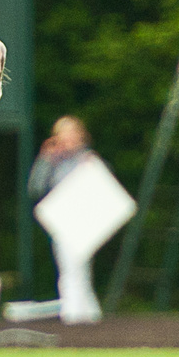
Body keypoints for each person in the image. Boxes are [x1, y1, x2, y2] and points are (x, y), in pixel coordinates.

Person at [28, 115, 103, 323]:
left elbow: (103, 191)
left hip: (84, 221)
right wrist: (45, 158)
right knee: (71, 269)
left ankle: (75, 315)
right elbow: (35, 187)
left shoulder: (88, 159)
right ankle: (86, 315)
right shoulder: (53, 162)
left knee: (75, 269)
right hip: (62, 222)